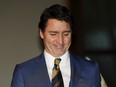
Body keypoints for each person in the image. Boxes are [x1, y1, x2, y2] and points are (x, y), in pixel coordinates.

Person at [11, 4, 101, 87]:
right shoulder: (23, 72)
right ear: (41, 33)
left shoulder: (91, 70)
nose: (60, 41)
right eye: (53, 34)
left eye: (66, 34)